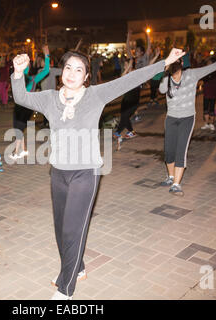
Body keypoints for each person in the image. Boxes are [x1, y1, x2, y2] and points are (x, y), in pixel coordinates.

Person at [11, 47, 185, 300]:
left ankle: (65, 289)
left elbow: (131, 79)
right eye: (68, 68)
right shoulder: (49, 98)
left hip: (86, 172)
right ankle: (77, 267)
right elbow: (21, 98)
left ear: (86, 76)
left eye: (79, 69)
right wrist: (17, 73)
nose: (72, 73)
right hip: (58, 171)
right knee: (61, 230)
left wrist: (165, 63)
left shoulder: (95, 95)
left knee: (73, 229)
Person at [158, 41, 216, 196]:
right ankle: (171, 176)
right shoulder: (166, 80)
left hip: (187, 118)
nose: (174, 65)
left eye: (176, 62)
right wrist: (165, 69)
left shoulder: (192, 74)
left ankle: (176, 184)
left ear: (181, 63)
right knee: (169, 151)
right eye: (171, 62)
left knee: (181, 149)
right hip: (171, 118)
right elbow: (160, 90)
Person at [10, 45, 50, 160]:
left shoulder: (33, 79)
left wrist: (47, 56)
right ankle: (23, 150)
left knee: (19, 128)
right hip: (18, 106)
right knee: (17, 128)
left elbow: (47, 70)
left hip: (27, 106)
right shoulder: (20, 76)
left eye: (27, 65)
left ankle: (16, 151)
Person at [201, 57, 216, 131]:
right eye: (208, 62)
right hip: (206, 92)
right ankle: (206, 123)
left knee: (212, 108)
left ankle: (212, 124)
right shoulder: (206, 71)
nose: (208, 63)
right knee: (205, 108)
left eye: (209, 62)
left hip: (213, 92)